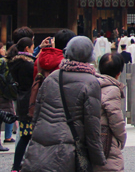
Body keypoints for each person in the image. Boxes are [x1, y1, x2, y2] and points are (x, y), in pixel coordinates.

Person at [21, 36, 106, 172]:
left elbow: (37, 114)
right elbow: (92, 124)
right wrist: (98, 158)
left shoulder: (53, 77)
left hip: (41, 142)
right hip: (67, 147)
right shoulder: (90, 82)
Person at [95, 53, 127, 172]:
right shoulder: (112, 89)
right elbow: (116, 119)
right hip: (106, 137)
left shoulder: (92, 84)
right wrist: (121, 139)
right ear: (119, 73)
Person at [8, 36, 35, 171]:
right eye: (32, 47)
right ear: (27, 48)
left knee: (24, 136)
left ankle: (15, 166)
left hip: (21, 101)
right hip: (30, 102)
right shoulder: (29, 65)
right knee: (30, 137)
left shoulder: (15, 63)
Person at [0, 42, 14, 147]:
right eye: (2, 48)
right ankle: (8, 137)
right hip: (3, 94)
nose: (4, 50)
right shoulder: (3, 62)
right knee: (8, 115)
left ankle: (8, 136)